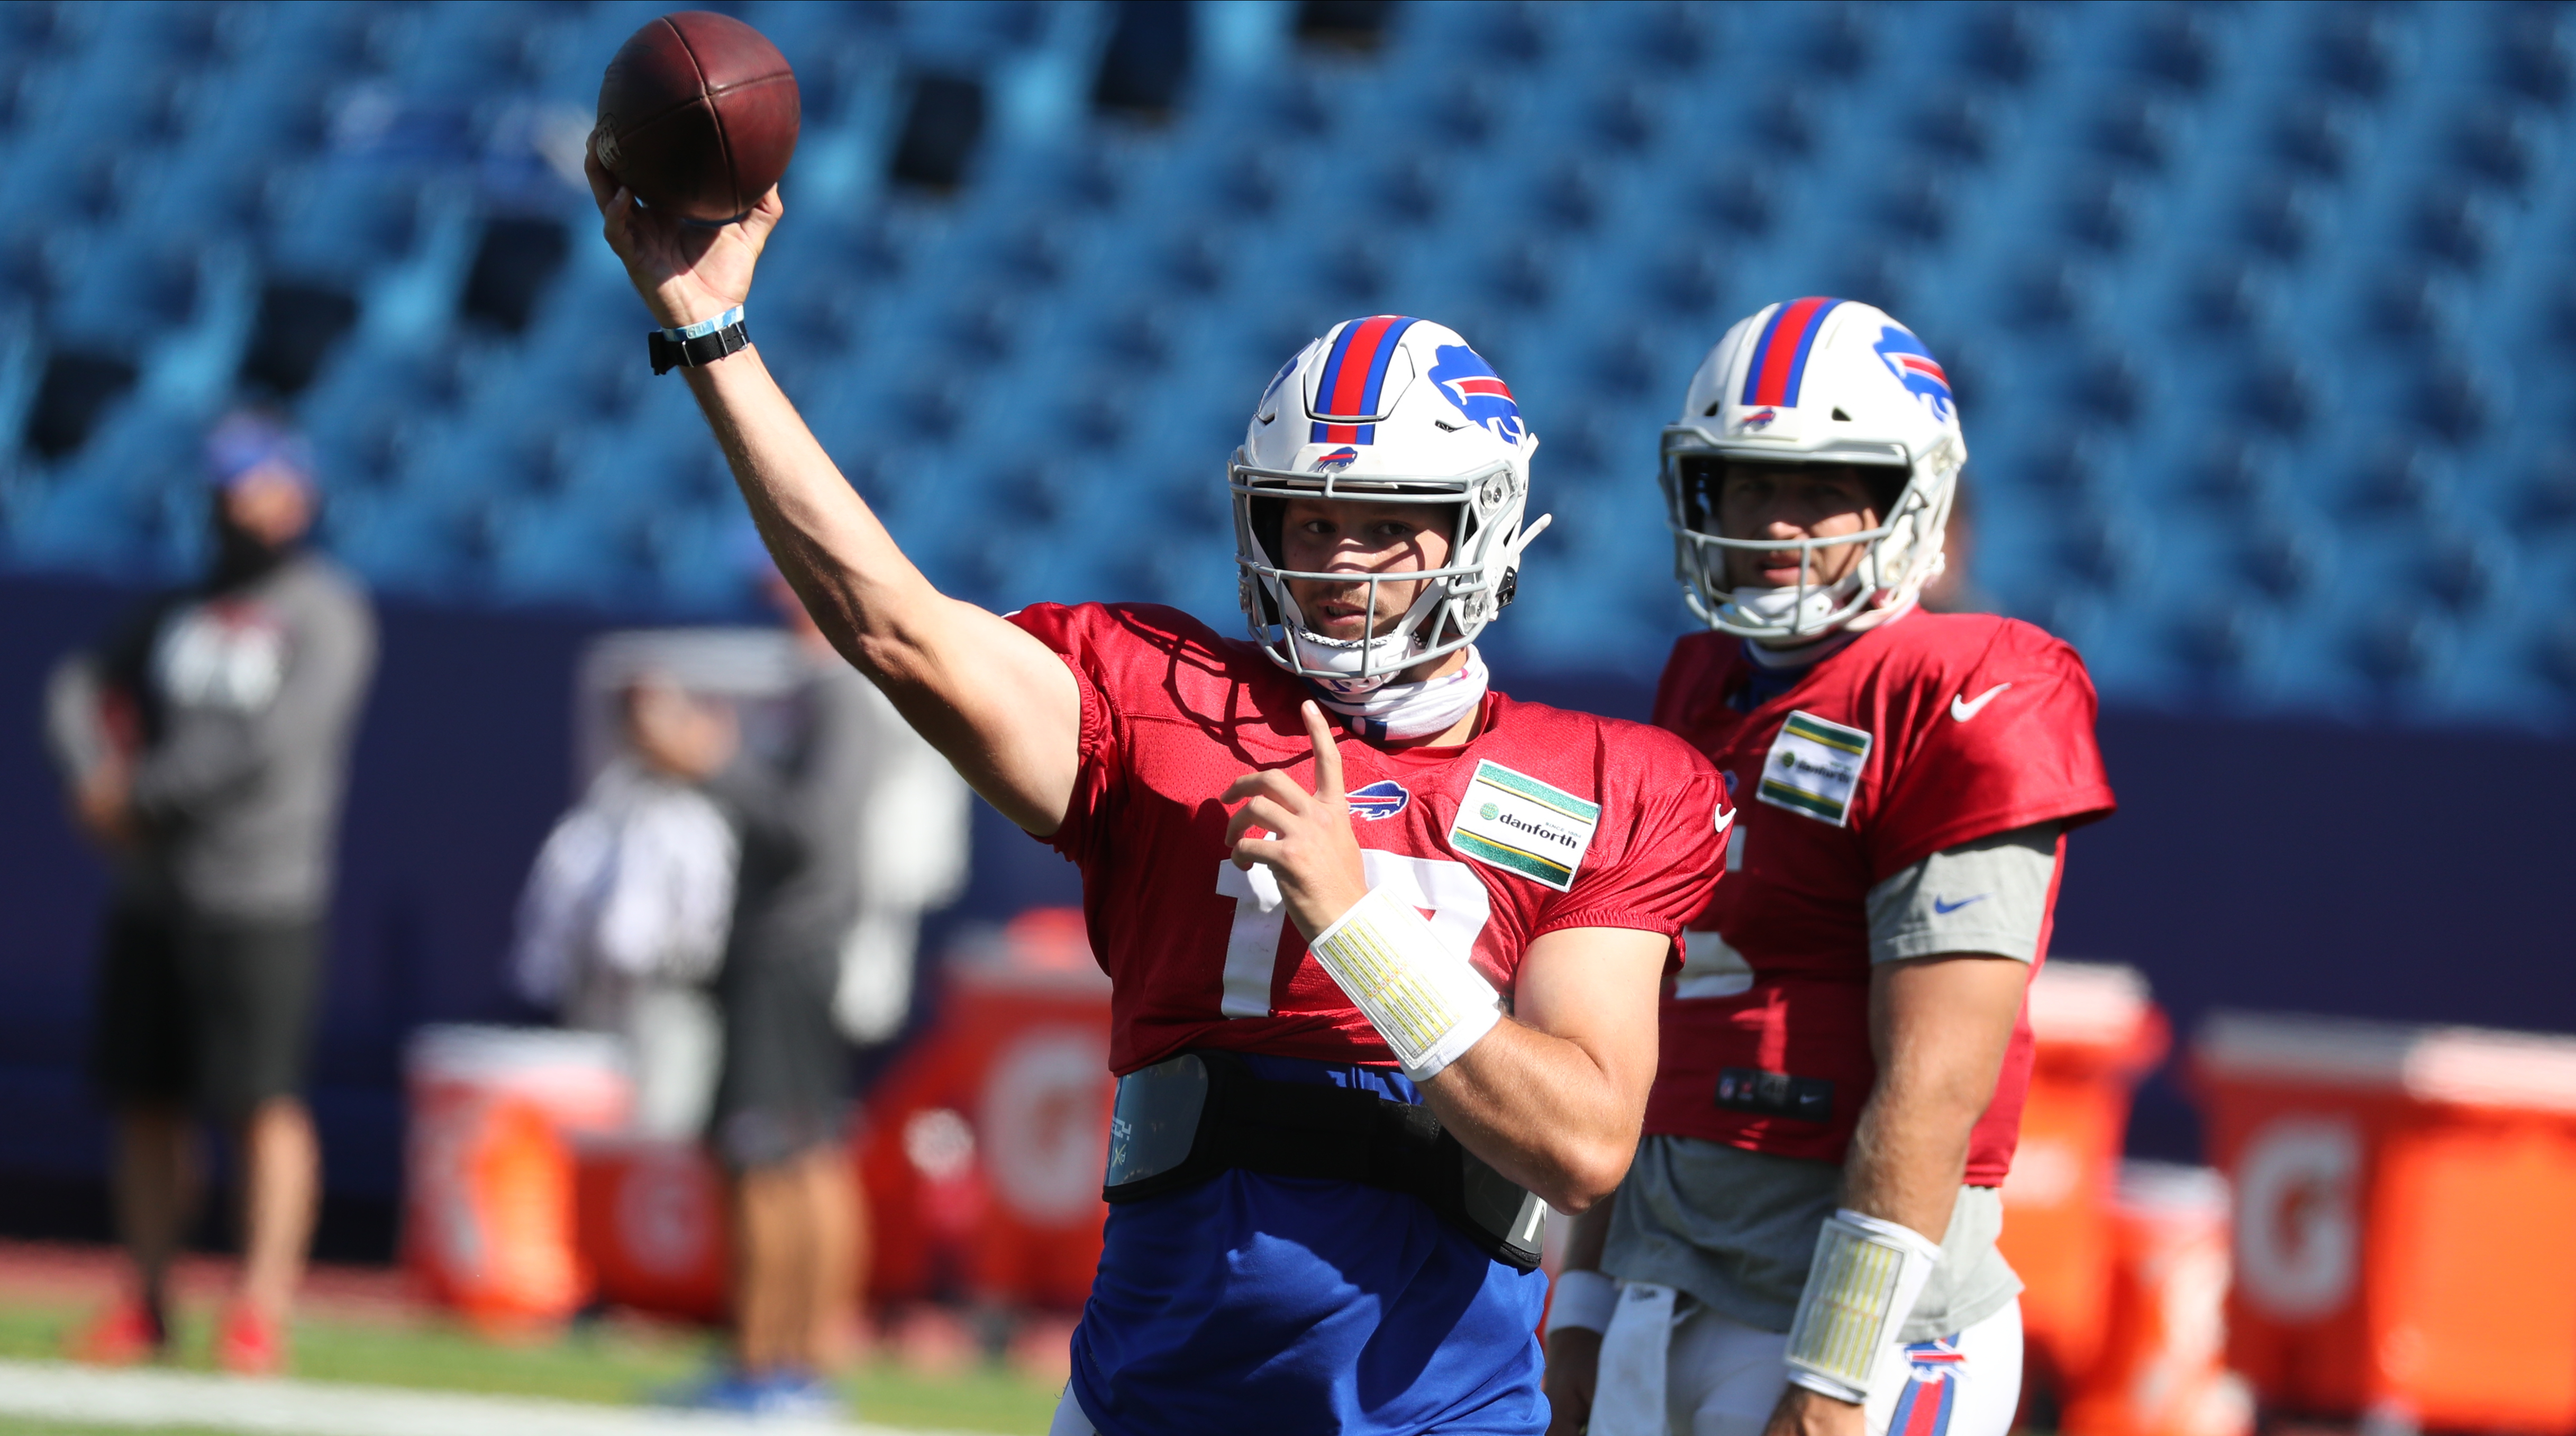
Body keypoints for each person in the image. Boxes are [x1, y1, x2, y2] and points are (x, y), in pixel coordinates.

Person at [587, 157, 1728, 1435]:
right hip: (1151, 1397)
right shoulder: (1158, 698)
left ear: (1478, 530)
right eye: (1306, 520)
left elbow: (1580, 1141)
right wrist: (711, 335)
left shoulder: (1610, 781)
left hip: (1437, 1413)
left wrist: (1356, 930)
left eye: (1386, 522)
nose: (1338, 559)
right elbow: (892, 627)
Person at [1539, 299, 2116, 1436]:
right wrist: (1581, 1317)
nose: (1774, 522)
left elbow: (1938, 1076)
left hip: (1853, 1326)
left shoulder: (1974, 690)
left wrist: (1835, 1375)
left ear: (1911, 500)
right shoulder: (1698, 687)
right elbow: (1639, 1040)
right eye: (1747, 485)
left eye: (1818, 487)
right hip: (1663, 1286)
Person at [47, 412, 379, 1375]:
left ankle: (258, 1309)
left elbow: (271, 745)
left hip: (262, 896)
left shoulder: (325, 610)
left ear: (298, 495)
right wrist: (86, 775)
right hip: (156, 893)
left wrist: (137, 797)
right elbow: (75, 684)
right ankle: (146, 1299)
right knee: (146, 1101)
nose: (243, 507)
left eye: (260, 486)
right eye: (231, 489)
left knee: (261, 1100)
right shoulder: (181, 606)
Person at [622, 569, 970, 1416]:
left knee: (771, 1155)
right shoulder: (829, 688)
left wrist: (712, 764)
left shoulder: (841, 693)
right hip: (796, 949)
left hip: (791, 951)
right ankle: (786, 1363)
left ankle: (774, 1361)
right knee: (800, 1150)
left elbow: (810, 832)